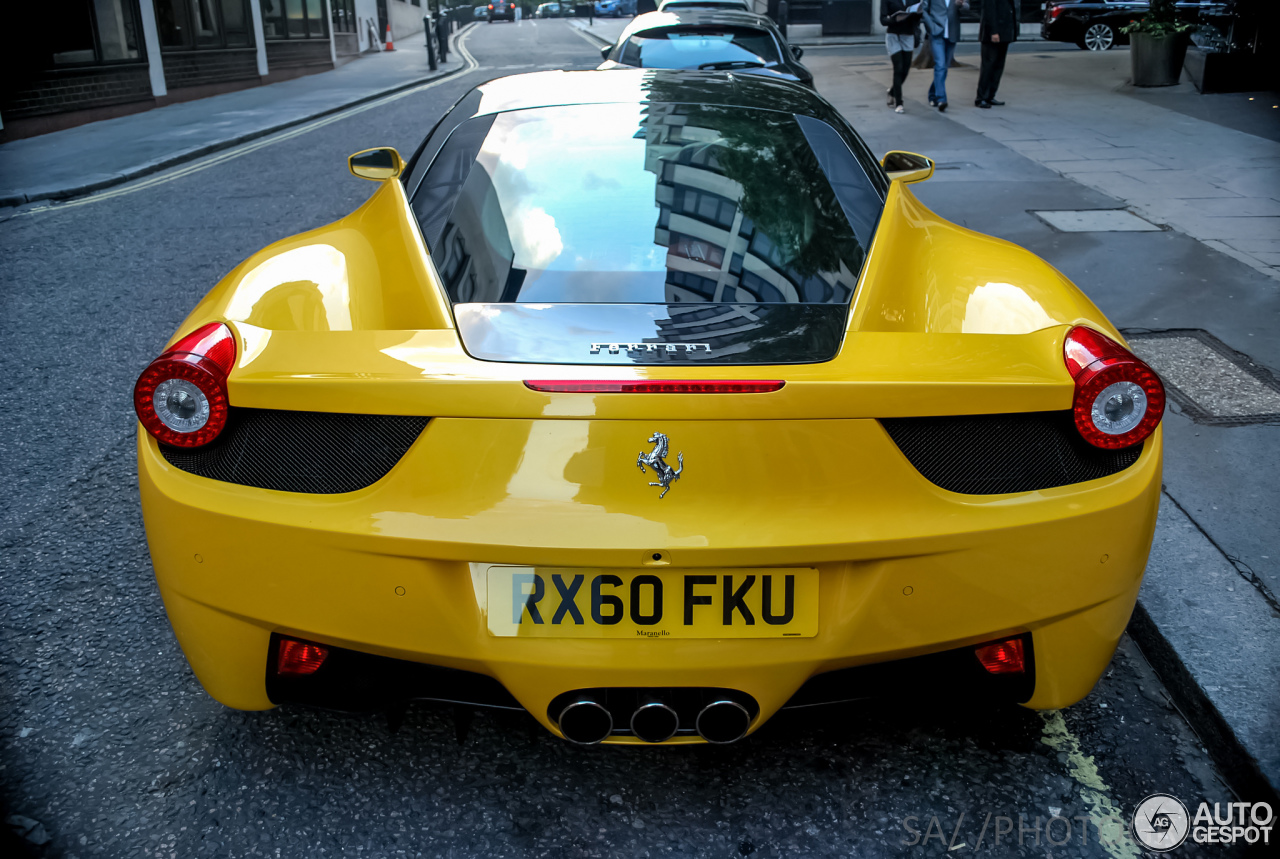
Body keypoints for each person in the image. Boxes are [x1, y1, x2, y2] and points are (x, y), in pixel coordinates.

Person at [922, 0, 966, 112]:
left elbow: (967, 7)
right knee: (940, 65)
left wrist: (960, 5)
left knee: (944, 68)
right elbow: (924, 9)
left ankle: (932, 94)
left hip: (952, 32)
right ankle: (942, 99)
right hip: (937, 33)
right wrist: (931, 26)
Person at [880, 0, 922, 114]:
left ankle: (892, 91)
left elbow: (918, 18)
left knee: (906, 69)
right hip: (893, 35)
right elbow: (883, 20)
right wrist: (895, 19)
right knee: (898, 68)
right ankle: (899, 103)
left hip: (908, 35)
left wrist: (919, 12)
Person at [976, 0, 1017, 107]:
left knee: (998, 66)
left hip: (1005, 31)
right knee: (988, 65)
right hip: (993, 33)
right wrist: (993, 31)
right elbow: (989, 10)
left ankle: (990, 95)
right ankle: (981, 97)